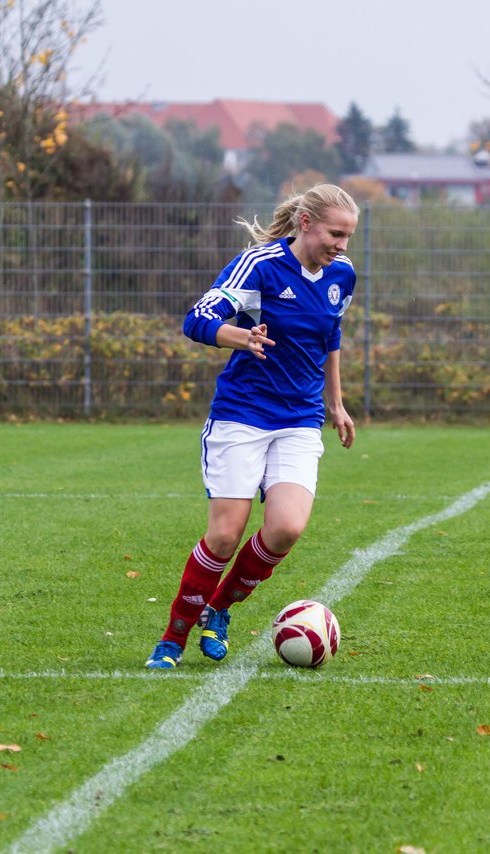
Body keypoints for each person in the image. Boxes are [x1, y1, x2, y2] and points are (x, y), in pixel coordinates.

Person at [145, 184, 358, 669]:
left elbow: (331, 336)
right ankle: (172, 638)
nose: (342, 245)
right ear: (306, 223)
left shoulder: (341, 275)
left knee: (285, 527)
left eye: (348, 236)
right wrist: (235, 335)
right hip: (242, 414)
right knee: (224, 536)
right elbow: (197, 319)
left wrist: (337, 403)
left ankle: (218, 610)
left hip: (300, 419)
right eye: (335, 233)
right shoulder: (260, 266)